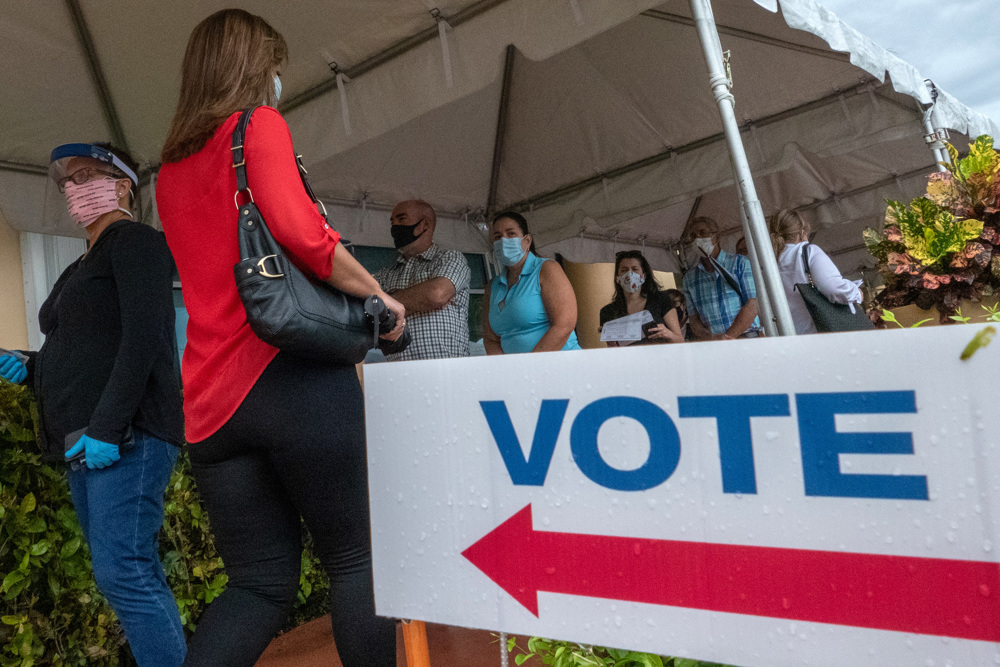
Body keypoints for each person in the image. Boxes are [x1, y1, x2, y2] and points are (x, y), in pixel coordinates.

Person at [155, 10, 403, 667]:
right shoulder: (256, 126)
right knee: (357, 558)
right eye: (273, 64)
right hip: (289, 375)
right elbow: (302, 235)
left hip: (211, 407)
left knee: (257, 584)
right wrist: (379, 297)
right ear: (251, 66)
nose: (277, 80)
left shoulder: (169, 171)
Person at [0, 143, 186, 666]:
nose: (74, 189)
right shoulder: (81, 263)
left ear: (123, 184)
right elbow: (84, 348)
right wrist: (32, 364)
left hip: (126, 435)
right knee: (125, 573)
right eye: (68, 182)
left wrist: (107, 426)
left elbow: (146, 335)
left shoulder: (137, 243)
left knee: (124, 572)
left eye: (88, 176)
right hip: (89, 440)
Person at [372, 199, 470, 360]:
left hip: (448, 373)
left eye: (401, 219)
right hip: (399, 374)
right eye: (392, 222)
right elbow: (372, 311)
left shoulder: (450, 258)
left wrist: (390, 304)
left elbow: (436, 294)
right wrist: (420, 300)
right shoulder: (386, 274)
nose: (394, 226)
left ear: (424, 224)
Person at [483, 211, 581, 354]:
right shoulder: (492, 286)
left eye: (511, 234)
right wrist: (504, 372)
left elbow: (564, 325)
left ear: (527, 240)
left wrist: (530, 366)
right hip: (516, 373)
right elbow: (490, 338)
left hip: (559, 366)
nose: (504, 241)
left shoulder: (547, 269)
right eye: (498, 237)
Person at [769, 208, 863, 334]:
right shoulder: (808, 251)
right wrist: (856, 293)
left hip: (787, 337)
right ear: (802, 233)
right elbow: (833, 288)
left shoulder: (768, 263)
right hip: (818, 331)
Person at [681, 216, 761, 340]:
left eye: (703, 233)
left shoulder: (739, 263)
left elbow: (752, 304)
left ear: (717, 237)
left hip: (745, 338)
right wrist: (711, 338)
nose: (698, 238)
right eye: (693, 236)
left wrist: (729, 336)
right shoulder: (689, 278)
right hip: (716, 344)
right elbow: (693, 318)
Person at [599, 250, 683, 346]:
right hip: (630, 360)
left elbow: (680, 340)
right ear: (617, 278)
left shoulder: (661, 300)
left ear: (643, 275)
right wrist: (610, 340)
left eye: (635, 269)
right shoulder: (608, 312)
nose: (629, 274)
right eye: (624, 270)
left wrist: (667, 334)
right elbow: (613, 351)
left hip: (662, 358)